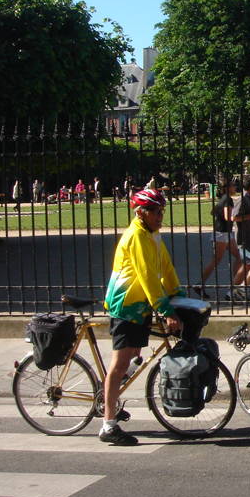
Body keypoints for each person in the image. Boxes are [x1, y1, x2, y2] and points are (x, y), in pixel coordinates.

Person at [101, 188, 185, 445]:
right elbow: (148, 276)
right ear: (140, 212)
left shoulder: (152, 234)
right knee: (120, 364)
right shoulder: (136, 236)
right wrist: (166, 309)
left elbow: (165, 266)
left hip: (141, 306)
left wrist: (178, 294)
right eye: (154, 211)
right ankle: (108, 424)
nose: (160, 216)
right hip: (126, 305)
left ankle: (107, 398)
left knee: (135, 356)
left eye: (162, 211)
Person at [194, 179, 243, 299]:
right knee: (216, 261)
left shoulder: (224, 199)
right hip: (222, 233)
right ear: (226, 188)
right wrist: (240, 218)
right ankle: (199, 285)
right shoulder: (227, 199)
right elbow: (228, 217)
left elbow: (214, 212)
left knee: (238, 257)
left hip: (224, 233)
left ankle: (234, 287)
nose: (235, 187)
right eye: (232, 185)